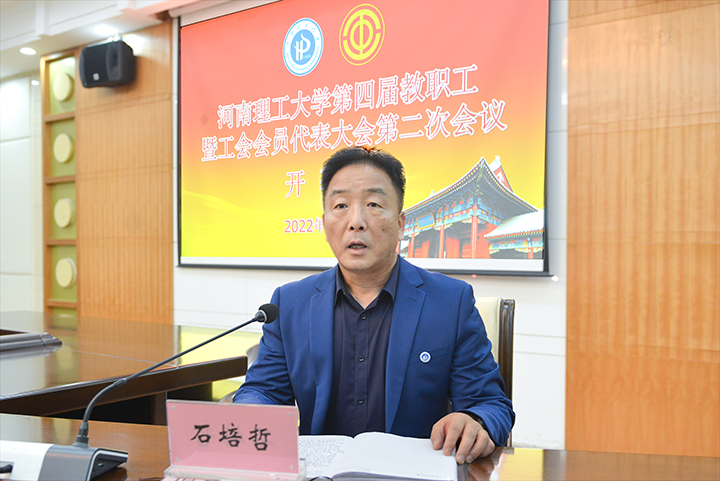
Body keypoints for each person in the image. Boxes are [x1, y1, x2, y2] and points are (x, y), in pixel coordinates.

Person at [234, 146, 514, 464]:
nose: (356, 222)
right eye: (341, 205)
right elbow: (264, 390)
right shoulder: (290, 303)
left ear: (401, 223)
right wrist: (252, 411)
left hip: (411, 472)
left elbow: (491, 405)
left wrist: (475, 421)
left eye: (373, 205)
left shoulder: (451, 302)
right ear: (324, 223)